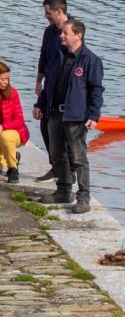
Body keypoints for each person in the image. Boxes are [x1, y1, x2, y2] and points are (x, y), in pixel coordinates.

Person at [34, 20, 104, 214]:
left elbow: (96, 90)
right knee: (56, 153)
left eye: (65, 33)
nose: (61, 36)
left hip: (76, 116)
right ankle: (63, 190)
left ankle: (83, 197)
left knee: (78, 157)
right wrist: (40, 104)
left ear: (78, 35)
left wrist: (94, 115)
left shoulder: (91, 60)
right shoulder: (58, 56)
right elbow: (49, 84)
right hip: (55, 113)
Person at [34, 0, 71, 182]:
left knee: (63, 131)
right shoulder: (49, 32)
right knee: (44, 124)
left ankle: (68, 171)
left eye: (48, 13)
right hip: (49, 83)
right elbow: (44, 55)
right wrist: (39, 79)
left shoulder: (72, 30)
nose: (45, 16)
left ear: (59, 12)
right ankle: (55, 166)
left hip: (64, 89)